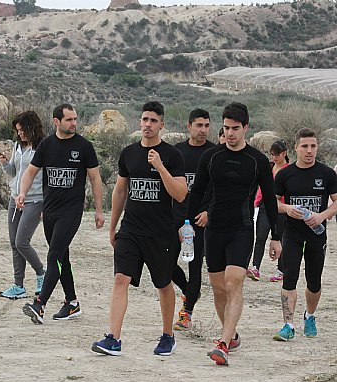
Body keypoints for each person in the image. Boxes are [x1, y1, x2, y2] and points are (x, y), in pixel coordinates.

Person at [187, 102, 281, 366]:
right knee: (218, 289)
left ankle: (223, 344)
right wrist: (187, 224)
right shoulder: (212, 157)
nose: (230, 133)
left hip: (241, 229)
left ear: (246, 128)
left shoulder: (258, 161)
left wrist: (276, 236)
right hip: (213, 229)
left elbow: (271, 201)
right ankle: (232, 334)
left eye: (235, 128)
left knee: (233, 283)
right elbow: (197, 194)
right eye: (226, 128)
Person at [91, 101, 187, 356]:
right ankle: (113, 338)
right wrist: (113, 226)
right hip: (130, 230)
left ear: (162, 125)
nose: (148, 124)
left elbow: (180, 194)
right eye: (144, 119)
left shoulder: (172, 155)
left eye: (153, 121)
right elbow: (120, 190)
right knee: (120, 279)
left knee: (163, 284)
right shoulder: (129, 153)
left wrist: (160, 167)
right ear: (139, 122)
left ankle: (168, 335)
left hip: (161, 233)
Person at [19, 103, 104, 324]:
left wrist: (99, 210)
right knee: (62, 257)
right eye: (69, 120)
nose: (74, 123)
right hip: (50, 212)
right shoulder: (47, 145)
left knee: (54, 255)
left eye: (75, 119)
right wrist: (22, 193)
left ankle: (40, 304)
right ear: (57, 121)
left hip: (71, 212)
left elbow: (95, 179)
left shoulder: (84, 146)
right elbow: (30, 171)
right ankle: (72, 303)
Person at [272, 128, 337, 341]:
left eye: (313, 146)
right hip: (292, 234)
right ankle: (288, 325)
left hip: (317, 235)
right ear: (296, 148)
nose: (309, 151)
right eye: (304, 146)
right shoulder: (285, 174)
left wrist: (322, 215)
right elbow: (273, 202)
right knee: (289, 278)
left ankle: (310, 316)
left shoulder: (327, 174)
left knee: (314, 282)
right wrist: (287, 208)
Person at [171, 109, 216, 331]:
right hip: (176, 217)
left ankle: (186, 313)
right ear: (188, 126)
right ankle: (190, 291)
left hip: (200, 220)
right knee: (165, 262)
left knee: (195, 265)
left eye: (207, 125)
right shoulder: (177, 152)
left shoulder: (215, 153)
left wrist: (209, 212)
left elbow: (220, 188)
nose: (203, 130)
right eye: (199, 125)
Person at [0, 111, 46, 299]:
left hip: (34, 200)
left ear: (31, 127)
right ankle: (18, 285)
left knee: (21, 241)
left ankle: (41, 273)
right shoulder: (18, 145)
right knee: (13, 244)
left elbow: (46, 176)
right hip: (14, 198)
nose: (20, 134)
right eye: (18, 130)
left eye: (23, 130)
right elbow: (14, 172)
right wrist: (4, 164)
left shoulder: (43, 147)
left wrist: (46, 205)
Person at [246, 140, 289, 282]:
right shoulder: (269, 167)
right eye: (272, 155)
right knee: (260, 237)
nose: (274, 158)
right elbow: (261, 186)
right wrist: (256, 202)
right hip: (265, 206)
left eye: (276, 155)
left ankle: (281, 270)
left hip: (282, 208)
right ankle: (255, 267)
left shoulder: (289, 170)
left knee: (281, 238)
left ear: (284, 154)